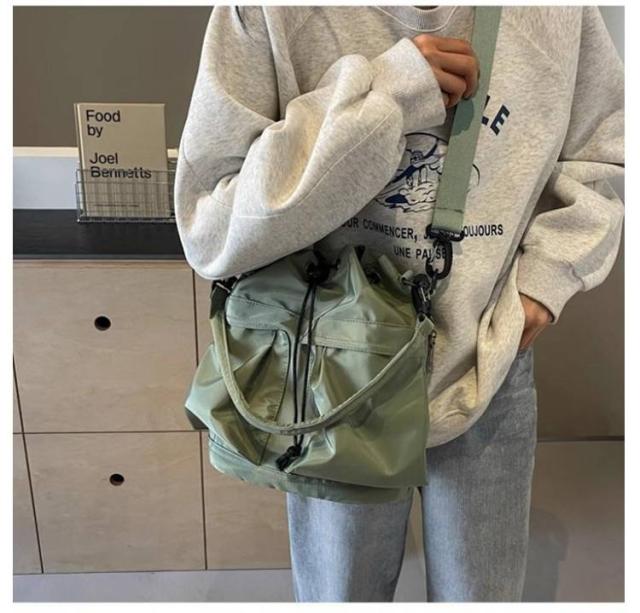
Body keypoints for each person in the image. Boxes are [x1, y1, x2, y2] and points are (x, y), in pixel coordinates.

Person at [173, 4, 624, 602]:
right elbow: (210, 226)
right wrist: (386, 93)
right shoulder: (267, 13)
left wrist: (545, 281)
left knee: (482, 596)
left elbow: (600, 155)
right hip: (331, 367)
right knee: (342, 595)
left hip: (488, 353)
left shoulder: (556, 13)